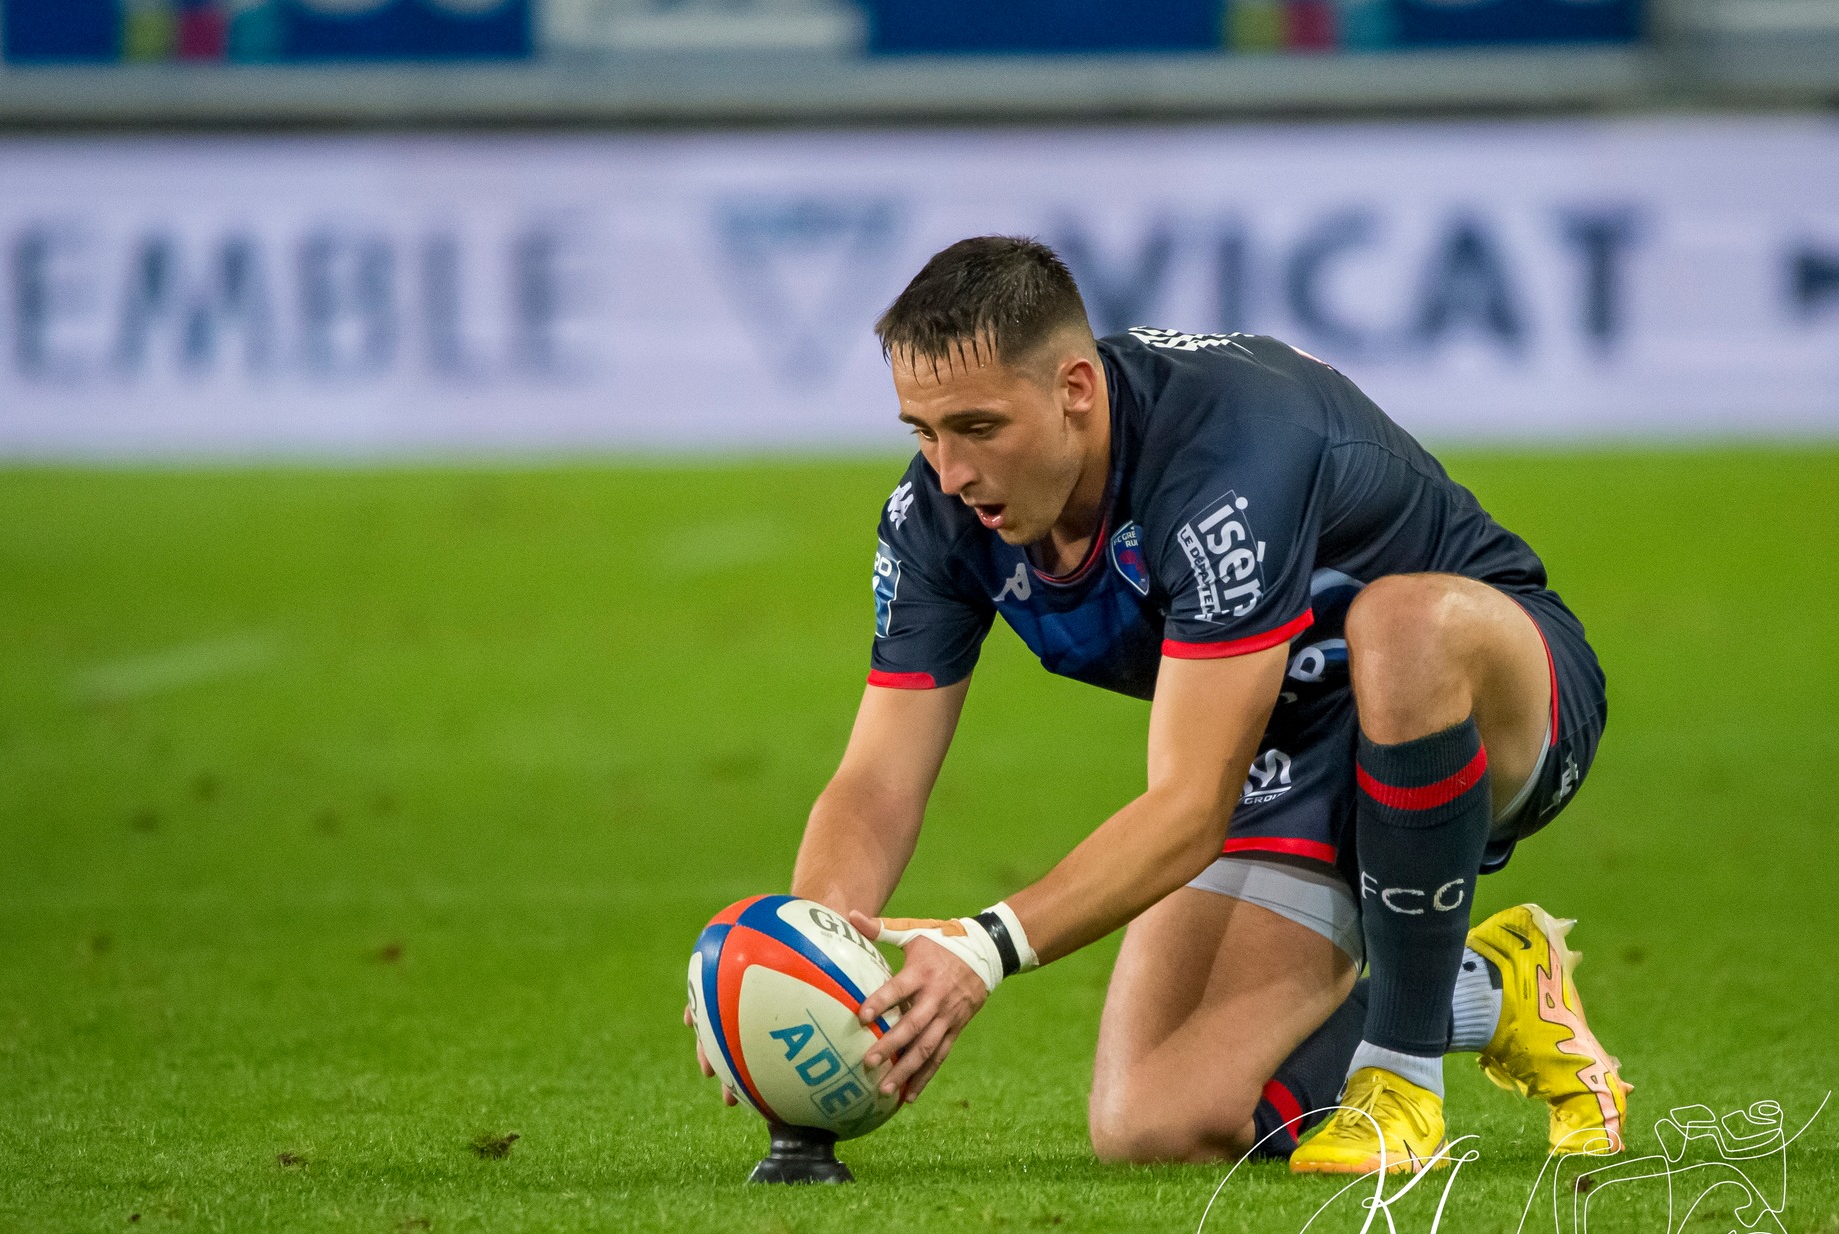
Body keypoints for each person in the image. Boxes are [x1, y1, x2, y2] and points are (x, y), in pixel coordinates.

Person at [693, 235, 1631, 1173]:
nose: (950, 471)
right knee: (1155, 1124)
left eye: (978, 427)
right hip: (1284, 742)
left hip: (1499, 702)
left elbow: (1189, 806)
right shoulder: (940, 516)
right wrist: (800, 960)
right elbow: (877, 781)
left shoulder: (1226, 448)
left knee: (1401, 626)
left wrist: (987, 946)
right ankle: (1488, 986)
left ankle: (1403, 1072)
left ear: (1075, 389)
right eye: (924, 432)